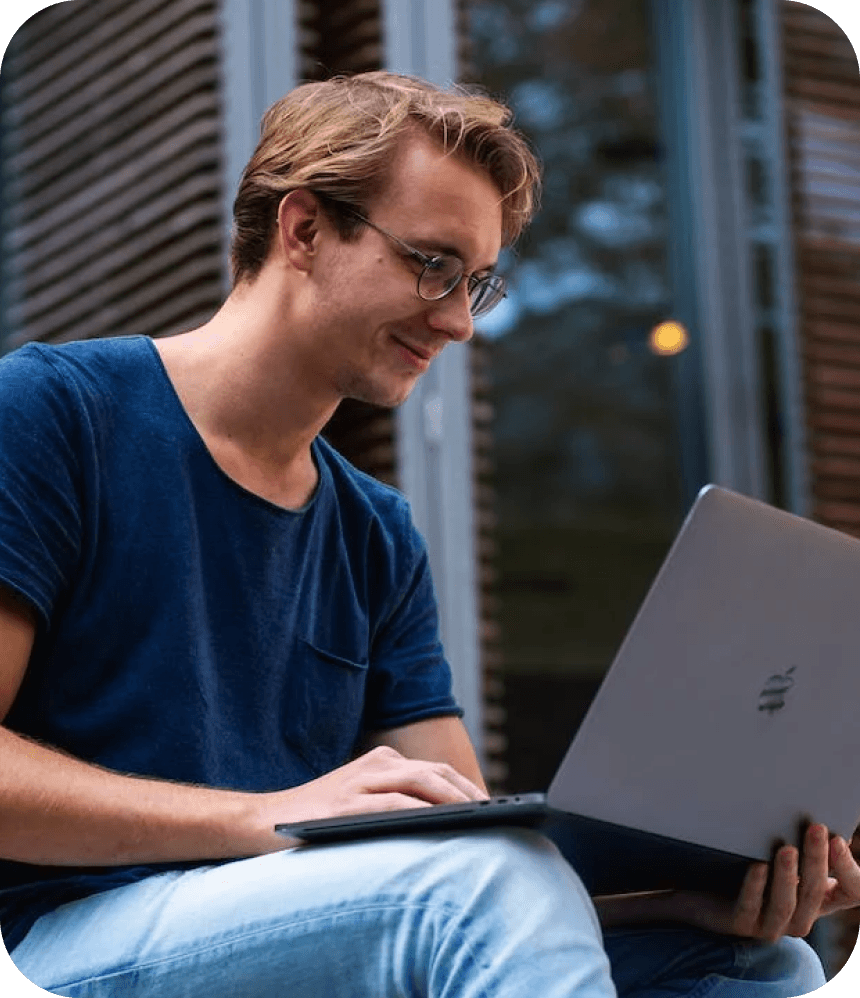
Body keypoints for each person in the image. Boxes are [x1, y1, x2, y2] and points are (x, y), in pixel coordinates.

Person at [0, 70, 854, 997]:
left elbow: (472, 845)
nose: (456, 321)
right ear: (304, 229)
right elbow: (466, 883)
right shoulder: (54, 416)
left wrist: (674, 901)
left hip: (307, 927)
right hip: (65, 936)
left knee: (758, 963)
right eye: (432, 263)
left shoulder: (376, 532)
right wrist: (270, 816)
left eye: (477, 283)